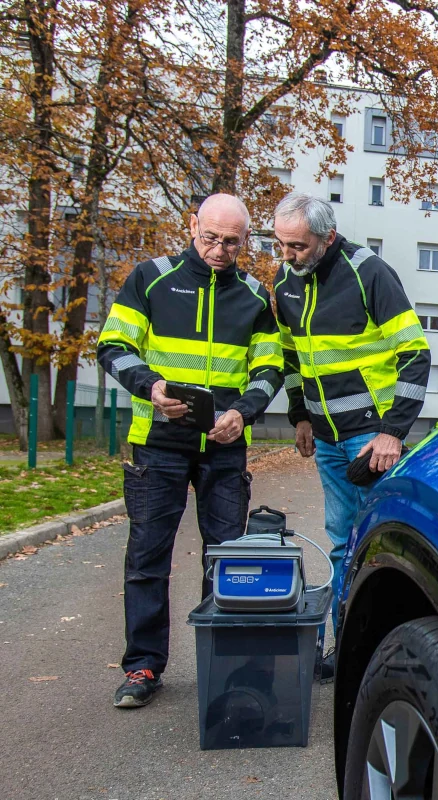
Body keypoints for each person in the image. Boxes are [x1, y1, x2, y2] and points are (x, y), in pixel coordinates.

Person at [98, 194, 284, 708]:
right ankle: (142, 667)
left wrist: (242, 412)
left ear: (245, 241)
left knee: (225, 559)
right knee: (147, 558)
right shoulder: (150, 277)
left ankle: (223, 670)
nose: (219, 250)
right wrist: (151, 387)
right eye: (210, 238)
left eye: (231, 242)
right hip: (158, 443)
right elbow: (112, 346)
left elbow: (270, 368)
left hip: (224, 447)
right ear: (192, 226)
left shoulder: (255, 296)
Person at [271, 192, 430, 673]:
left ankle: (388, 656)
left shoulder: (369, 273)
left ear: (328, 237)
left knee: (381, 545)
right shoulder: (285, 281)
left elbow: (415, 354)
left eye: (298, 246)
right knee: (341, 544)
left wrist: (392, 432)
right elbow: (292, 357)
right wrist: (300, 416)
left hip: (371, 440)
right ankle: (348, 654)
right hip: (326, 439)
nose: (287, 256)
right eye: (280, 244)